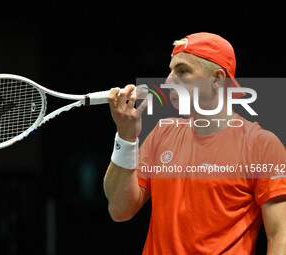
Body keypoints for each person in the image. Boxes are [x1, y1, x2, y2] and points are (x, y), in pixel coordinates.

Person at [103, 32, 286, 254]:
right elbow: (119, 209)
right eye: (170, 71)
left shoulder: (261, 145)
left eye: (182, 71)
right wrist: (125, 136)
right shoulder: (162, 133)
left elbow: (280, 235)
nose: (169, 81)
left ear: (217, 79)